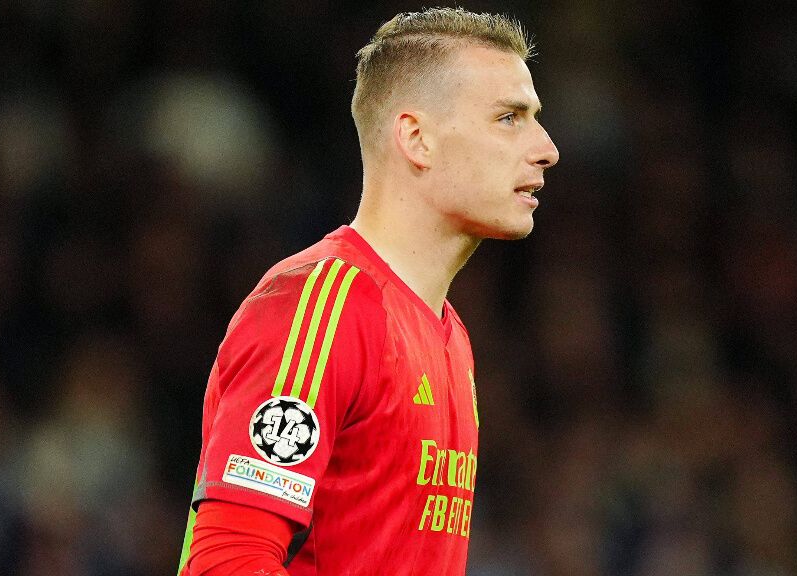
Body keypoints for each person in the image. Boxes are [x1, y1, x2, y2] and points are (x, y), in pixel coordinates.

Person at [176, 7, 559, 576]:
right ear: (416, 138)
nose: (546, 147)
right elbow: (226, 562)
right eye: (509, 117)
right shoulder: (319, 309)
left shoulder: (449, 337)